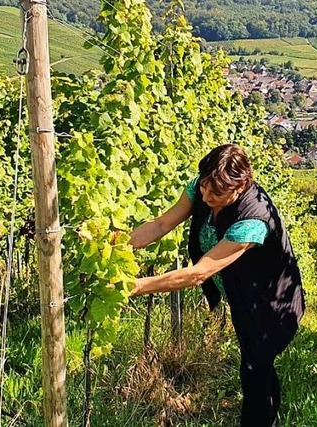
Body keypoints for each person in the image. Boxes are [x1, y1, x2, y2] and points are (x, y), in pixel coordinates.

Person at [129, 144, 305, 426]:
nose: (207, 196)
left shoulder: (253, 220)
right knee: (259, 364)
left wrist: (135, 286)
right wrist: (119, 248)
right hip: (240, 292)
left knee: (254, 368)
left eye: (217, 193)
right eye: (205, 188)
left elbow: (199, 273)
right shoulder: (204, 186)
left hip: (270, 302)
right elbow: (162, 224)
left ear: (241, 185)